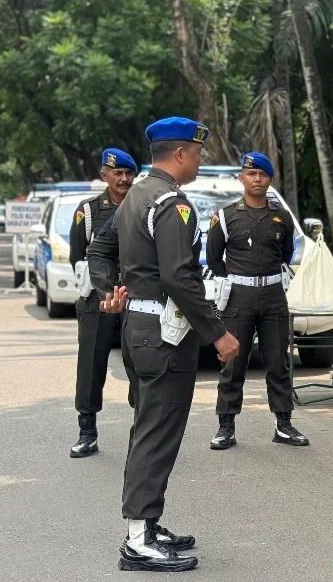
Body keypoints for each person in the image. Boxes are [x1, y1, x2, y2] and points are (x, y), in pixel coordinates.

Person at [88, 116, 241, 573]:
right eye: (197, 153)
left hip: (139, 331)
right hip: (164, 336)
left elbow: (100, 250)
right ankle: (138, 539)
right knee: (157, 433)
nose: (199, 160)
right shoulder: (172, 203)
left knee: (148, 428)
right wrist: (219, 332)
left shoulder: (135, 196)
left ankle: (146, 523)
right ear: (180, 154)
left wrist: (108, 289)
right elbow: (179, 277)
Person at [205, 152, 307, 450]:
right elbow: (214, 259)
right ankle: (226, 426)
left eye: (262, 175)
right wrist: (239, 280)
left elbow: (286, 254)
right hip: (240, 297)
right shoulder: (225, 216)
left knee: (278, 362)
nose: (257, 179)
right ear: (242, 178)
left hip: (274, 295)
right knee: (233, 363)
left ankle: (284, 424)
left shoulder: (282, 217)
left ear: (269, 180)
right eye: (251, 174)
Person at [69, 147, 138, 458]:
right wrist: (101, 289)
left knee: (139, 363)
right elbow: (78, 256)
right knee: (91, 366)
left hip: (137, 299)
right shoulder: (89, 210)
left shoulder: (143, 206)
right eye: (117, 173)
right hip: (98, 301)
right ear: (104, 176)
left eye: (128, 173)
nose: (123, 179)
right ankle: (87, 430)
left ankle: (143, 426)